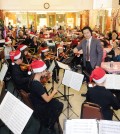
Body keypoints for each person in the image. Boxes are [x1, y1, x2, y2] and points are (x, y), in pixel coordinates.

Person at [29, 60, 63, 132]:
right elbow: (47, 99)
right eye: (45, 70)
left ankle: (50, 120)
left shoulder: (33, 79)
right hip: (41, 107)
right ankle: (50, 124)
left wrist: (47, 78)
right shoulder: (37, 85)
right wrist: (53, 92)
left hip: (38, 102)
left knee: (56, 102)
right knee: (60, 105)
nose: (46, 71)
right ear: (40, 72)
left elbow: (41, 88)